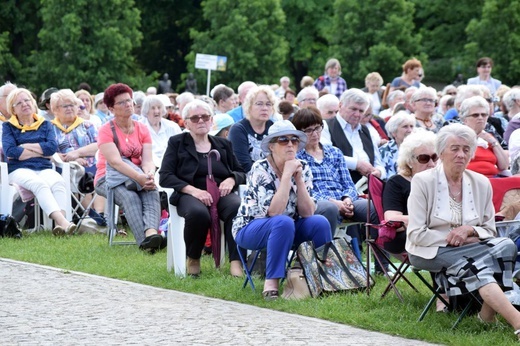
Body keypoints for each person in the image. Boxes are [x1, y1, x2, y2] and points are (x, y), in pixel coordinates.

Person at [407, 123, 520, 336]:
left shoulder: (480, 182)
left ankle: (486, 316)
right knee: (479, 265)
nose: (461, 154)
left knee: (505, 244)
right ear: (441, 152)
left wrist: (469, 230)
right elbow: (416, 234)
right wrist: (454, 238)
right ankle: (517, 322)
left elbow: (489, 229)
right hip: (429, 250)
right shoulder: (422, 181)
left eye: (466, 149)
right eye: (455, 148)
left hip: (471, 247)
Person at [232, 120, 332, 300]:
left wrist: (299, 180)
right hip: (251, 227)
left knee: (320, 222)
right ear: (271, 146)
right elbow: (274, 212)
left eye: (294, 140)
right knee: (282, 221)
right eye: (283, 140)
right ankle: (271, 283)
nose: (290, 144)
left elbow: (308, 212)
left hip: (287, 227)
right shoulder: (260, 168)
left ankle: (320, 280)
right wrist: (286, 176)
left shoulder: (303, 166)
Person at [159, 99, 246, 277]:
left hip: (221, 192)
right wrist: (193, 191)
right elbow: (165, 176)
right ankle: (193, 258)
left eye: (205, 117)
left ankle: (236, 261)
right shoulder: (177, 143)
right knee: (198, 213)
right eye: (195, 118)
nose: (201, 121)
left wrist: (231, 179)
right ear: (187, 123)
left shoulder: (223, 144)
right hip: (189, 193)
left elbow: (240, 171)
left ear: (211, 120)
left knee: (237, 208)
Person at [94, 83, 163, 253]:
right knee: (130, 197)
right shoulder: (106, 130)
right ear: (111, 108)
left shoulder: (142, 128)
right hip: (108, 177)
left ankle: (151, 233)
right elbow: (115, 162)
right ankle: (146, 243)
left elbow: (147, 160)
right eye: (122, 102)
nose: (128, 105)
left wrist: (148, 174)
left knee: (151, 190)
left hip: (137, 174)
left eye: (129, 101)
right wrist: (139, 178)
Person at [2, 87, 76, 235]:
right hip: (18, 170)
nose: (25, 104)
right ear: (13, 109)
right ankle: (64, 222)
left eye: (27, 100)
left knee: (58, 182)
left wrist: (25, 147)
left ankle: (59, 227)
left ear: (33, 103)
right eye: (19, 103)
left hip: (44, 168)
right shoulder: (8, 127)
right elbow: (11, 152)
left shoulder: (45, 124)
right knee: (39, 184)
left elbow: (51, 148)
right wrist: (40, 152)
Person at [382, 130, 437, 254]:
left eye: (434, 157)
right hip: (406, 236)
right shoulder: (396, 182)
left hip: (436, 232)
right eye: (424, 158)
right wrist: (430, 220)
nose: (432, 164)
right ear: (409, 161)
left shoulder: (441, 180)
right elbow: (392, 219)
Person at [50, 89, 102, 214]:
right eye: (65, 106)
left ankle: (100, 216)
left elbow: (99, 145)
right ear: (56, 109)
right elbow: (50, 152)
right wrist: (73, 159)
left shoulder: (88, 125)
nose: (69, 108)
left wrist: (78, 153)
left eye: (72, 105)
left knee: (102, 176)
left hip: (92, 164)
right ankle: (90, 217)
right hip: (65, 168)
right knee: (82, 176)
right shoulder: (49, 128)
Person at [321, 88, 385, 183]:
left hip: (369, 187)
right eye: (353, 109)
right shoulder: (325, 126)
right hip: (339, 186)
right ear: (340, 105)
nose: (357, 114)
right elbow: (325, 155)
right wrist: (356, 164)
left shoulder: (366, 131)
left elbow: (378, 162)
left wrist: (379, 172)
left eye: (361, 111)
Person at [228, 85, 276, 172]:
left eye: (268, 104)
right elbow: (243, 165)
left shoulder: (274, 127)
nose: (265, 108)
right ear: (249, 107)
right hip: (248, 181)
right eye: (259, 104)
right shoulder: (238, 130)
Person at [459, 96, 508, 177]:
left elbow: (504, 166)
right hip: (468, 179)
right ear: (465, 119)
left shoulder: (490, 137)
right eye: (475, 115)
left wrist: (493, 142)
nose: (480, 118)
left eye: (484, 115)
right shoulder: (458, 137)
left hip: (492, 179)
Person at [140, 95, 182, 168]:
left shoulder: (172, 126)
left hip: (173, 165)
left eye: (159, 108)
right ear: (146, 111)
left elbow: (181, 147)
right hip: (150, 167)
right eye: (153, 108)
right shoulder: (139, 127)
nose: (157, 111)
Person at [379, 111, 416, 180]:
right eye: (405, 126)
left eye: (411, 126)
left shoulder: (419, 148)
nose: (410, 130)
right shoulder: (383, 151)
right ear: (394, 132)